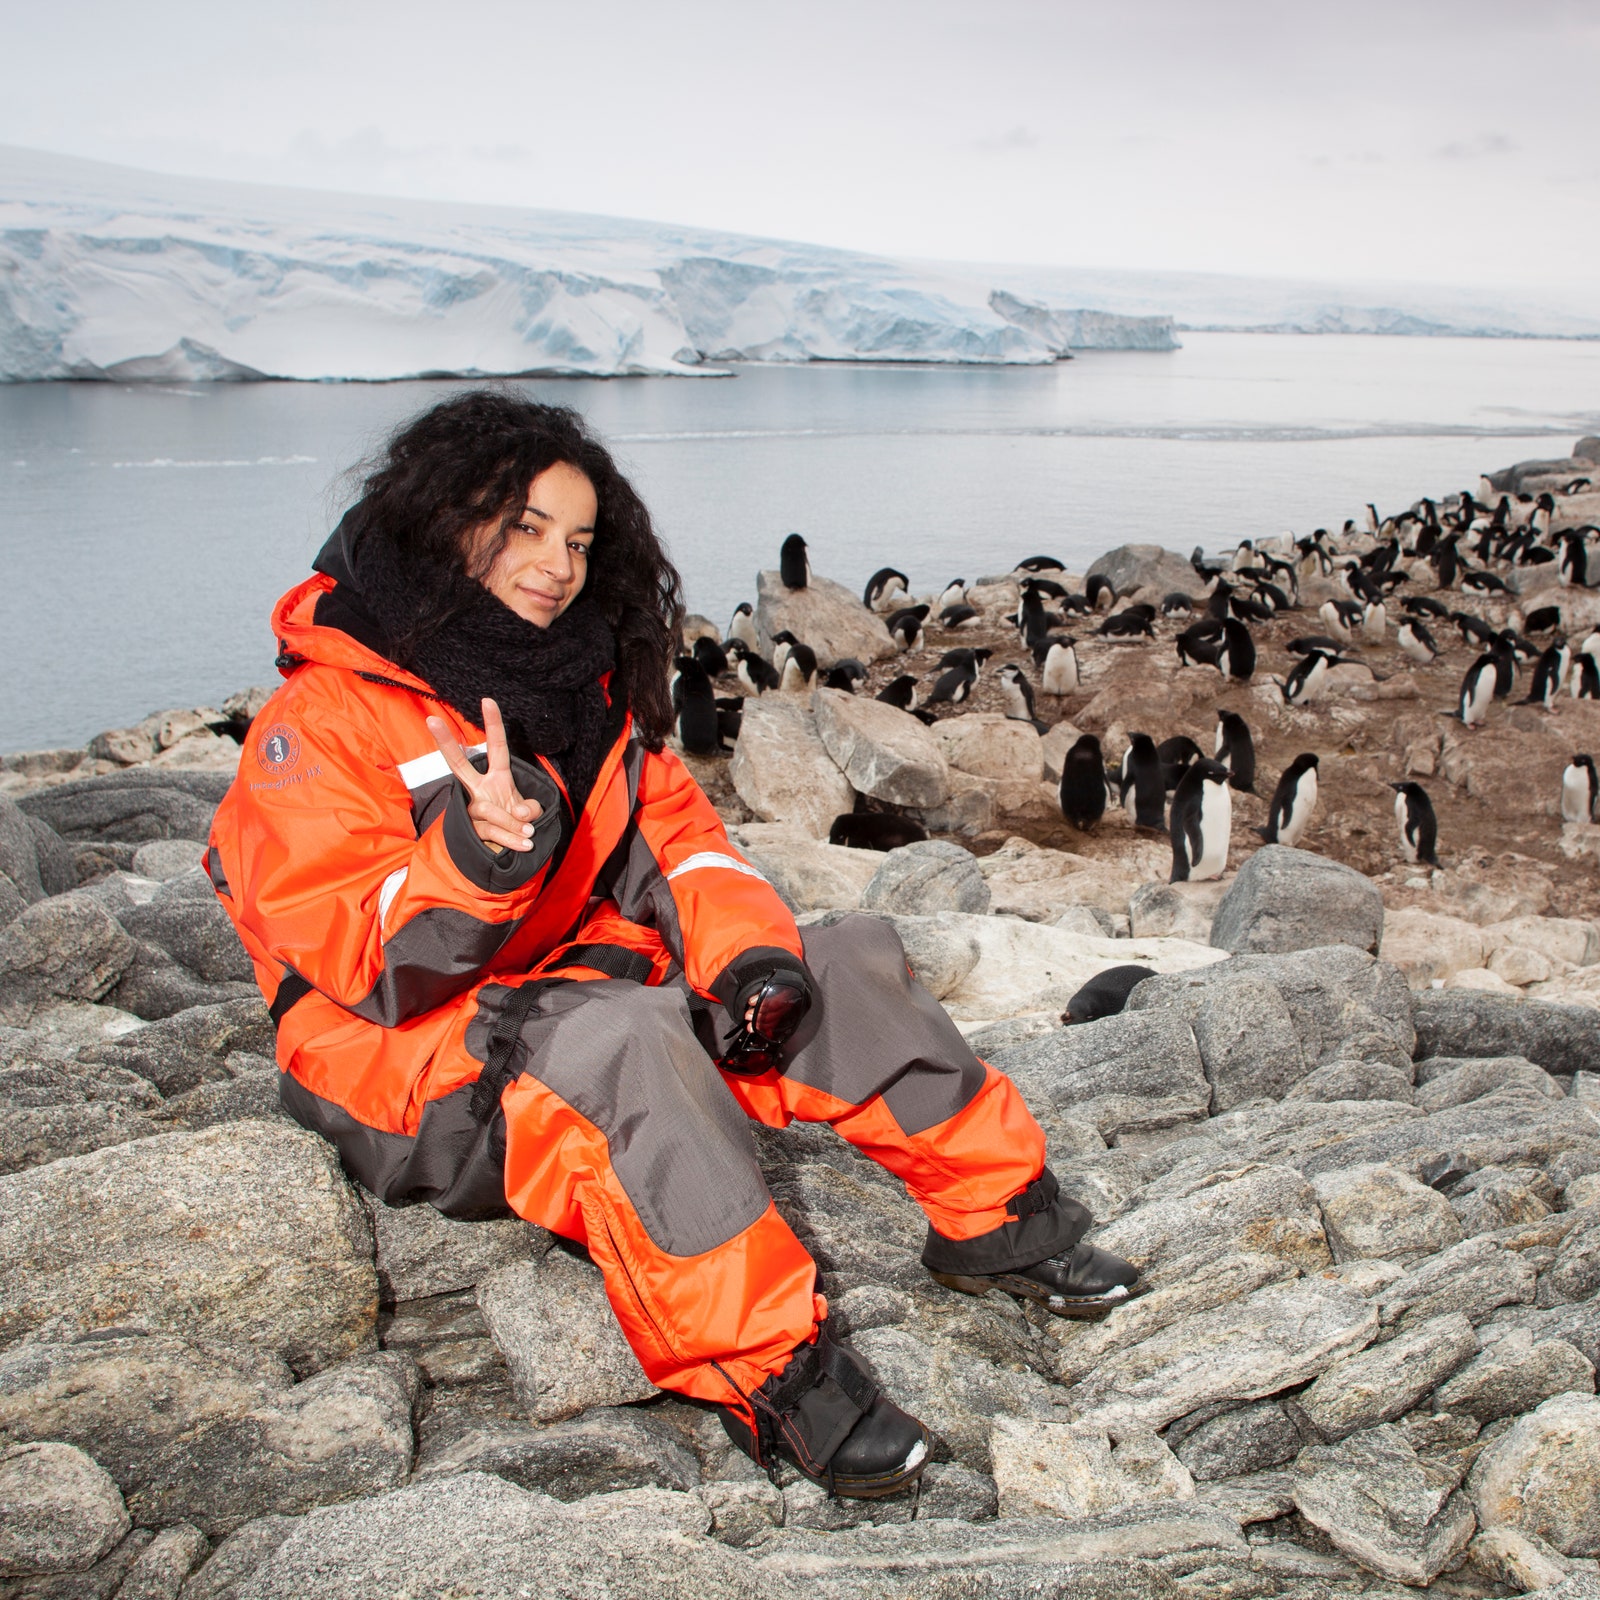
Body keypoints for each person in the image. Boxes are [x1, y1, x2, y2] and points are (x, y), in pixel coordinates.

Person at [207, 391, 1138, 1500]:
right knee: (627, 1043)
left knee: (839, 961)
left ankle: (999, 1218)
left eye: (578, 539)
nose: (556, 564)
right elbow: (360, 964)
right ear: (443, 519)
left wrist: (749, 965)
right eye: (525, 528)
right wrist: (477, 855)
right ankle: (767, 1369)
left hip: (564, 986)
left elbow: (688, 851)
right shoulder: (320, 723)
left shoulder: (575, 689)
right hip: (404, 1062)